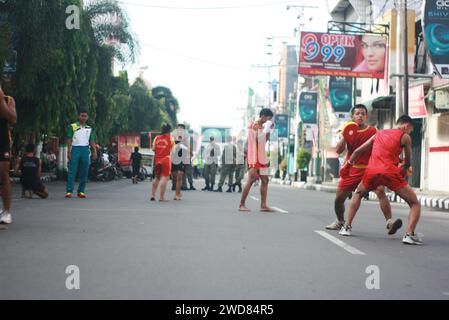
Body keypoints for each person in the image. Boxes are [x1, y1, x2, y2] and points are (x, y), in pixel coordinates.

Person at [340, 115, 422, 245]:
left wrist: (347, 165)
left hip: (371, 171)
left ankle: (346, 227)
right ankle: (409, 235)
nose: (410, 132)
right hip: (390, 172)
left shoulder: (378, 134)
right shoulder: (405, 137)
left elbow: (357, 151)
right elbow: (407, 162)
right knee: (414, 203)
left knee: (359, 193)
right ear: (407, 126)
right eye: (410, 129)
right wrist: (403, 171)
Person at [326, 105, 398, 236]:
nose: (360, 116)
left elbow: (382, 147)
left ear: (366, 116)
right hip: (353, 169)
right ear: (352, 117)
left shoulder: (373, 131)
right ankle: (340, 221)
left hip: (371, 168)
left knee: (381, 191)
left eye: (363, 113)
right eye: (357, 113)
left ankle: (390, 221)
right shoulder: (347, 130)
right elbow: (338, 150)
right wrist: (344, 135)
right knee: (338, 199)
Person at [239, 108, 275, 212]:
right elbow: (256, 139)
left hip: (261, 156)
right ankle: (241, 204)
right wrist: (265, 129)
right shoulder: (253, 125)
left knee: (265, 180)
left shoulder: (263, 126)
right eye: (268, 119)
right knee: (251, 179)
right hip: (253, 156)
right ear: (263, 116)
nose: (269, 121)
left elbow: (264, 141)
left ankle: (263, 205)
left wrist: (268, 131)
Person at [66, 109, 98, 198]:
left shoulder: (89, 128)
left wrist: (94, 151)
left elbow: (92, 141)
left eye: (85, 116)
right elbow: (69, 139)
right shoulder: (73, 126)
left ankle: (81, 191)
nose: (83, 118)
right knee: (72, 171)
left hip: (85, 150)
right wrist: (68, 151)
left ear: (87, 117)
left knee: (84, 171)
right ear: (78, 116)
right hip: (75, 149)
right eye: (82, 116)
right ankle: (69, 191)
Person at [0, 86, 17, 224]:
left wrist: (1, 101)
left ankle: (6, 211)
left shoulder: (8, 99)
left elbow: (13, 118)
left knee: (3, 173)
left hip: (2, 140)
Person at [151, 123, 174, 201]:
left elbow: (153, 149)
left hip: (157, 159)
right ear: (169, 130)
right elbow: (173, 150)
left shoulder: (157, 138)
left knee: (156, 177)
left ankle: (153, 195)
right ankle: (161, 197)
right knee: (164, 177)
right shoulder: (171, 138)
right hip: (166, 159)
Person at [172, 136, 189, 200]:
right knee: (177, 179)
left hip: (177, 162)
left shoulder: (174, 144)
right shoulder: (179, 145)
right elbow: (189, 152)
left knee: (177, 178)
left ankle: (177, 194)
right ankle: (177, 193)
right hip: (177, 162)